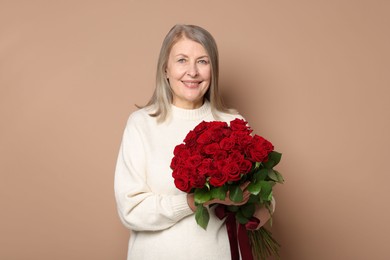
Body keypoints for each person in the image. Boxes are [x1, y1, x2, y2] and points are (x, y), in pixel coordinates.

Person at [114, 24, 275, 260]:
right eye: (182, 60)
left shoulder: (233, 122)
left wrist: (257, 211)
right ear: (165, 69)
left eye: (203, 61)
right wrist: (198, 200)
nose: (193, 72)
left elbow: (265, 195)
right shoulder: (141, 124)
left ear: (213, 69)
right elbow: (132, 211)